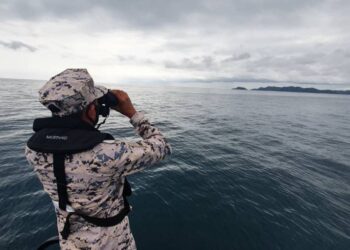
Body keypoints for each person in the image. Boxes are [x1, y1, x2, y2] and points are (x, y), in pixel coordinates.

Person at [25, 68, 172, 250]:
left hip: (69, 239)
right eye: (94, 103)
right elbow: (162, 146)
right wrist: (132, 114)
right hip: (112, 243)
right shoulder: (109, 154)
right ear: (90, 110)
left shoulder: (33, 149)